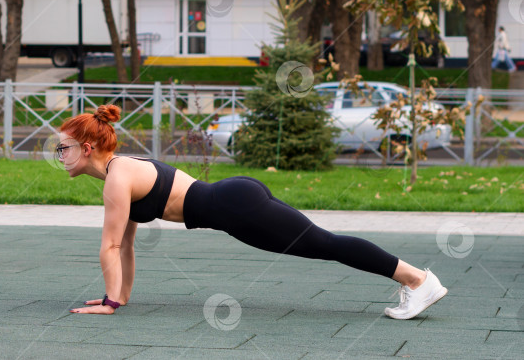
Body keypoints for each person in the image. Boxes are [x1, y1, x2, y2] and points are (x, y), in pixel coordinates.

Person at [63, 105, 448, 319]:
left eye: (64, 148)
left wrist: (110, 304)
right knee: (322, 243)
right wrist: (120, 297)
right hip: (236, 202)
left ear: (86, 147)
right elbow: (125, 246)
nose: (59, 156)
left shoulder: (118, 176)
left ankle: (417, 280)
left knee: (325, 243)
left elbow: (110, 246)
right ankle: (415, 281)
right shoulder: (120, 172)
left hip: (236, 206)